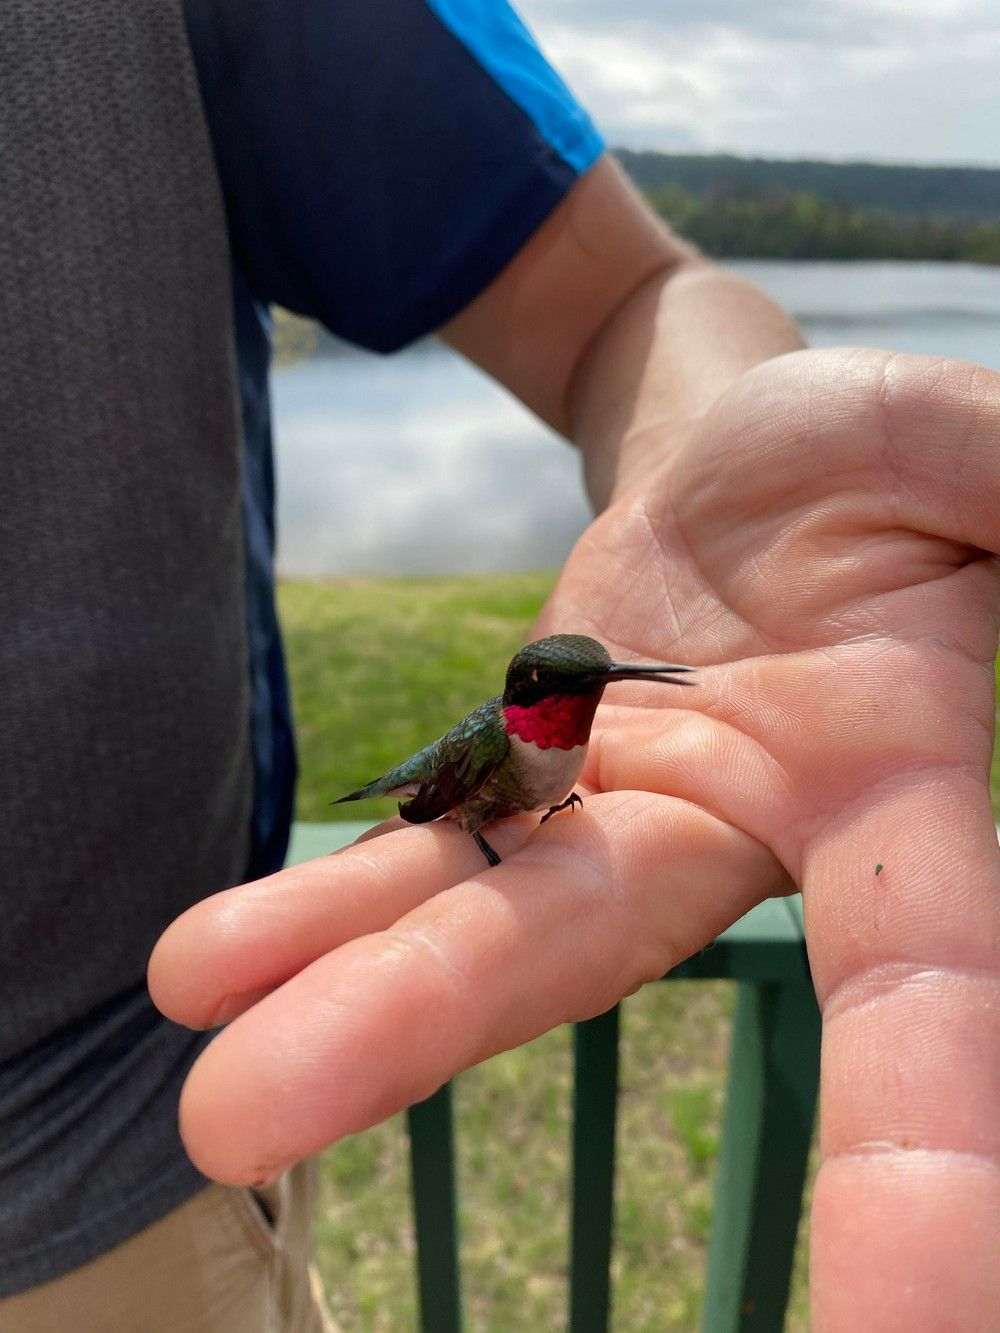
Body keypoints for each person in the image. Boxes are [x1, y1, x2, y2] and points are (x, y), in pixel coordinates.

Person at [2, 1, 997, 1331]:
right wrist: (494, 818)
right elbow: (474, 796)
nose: (597, 701)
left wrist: (730, 475)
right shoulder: (499, 751)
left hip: (106, 1132)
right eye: (579, 692)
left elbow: (625, 296)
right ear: (537, 707)